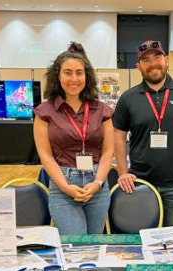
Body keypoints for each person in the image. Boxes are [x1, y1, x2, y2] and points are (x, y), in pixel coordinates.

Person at [113, 40, 173, 227]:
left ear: (166, 60)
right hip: (139, 184)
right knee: (141, 239)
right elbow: (118, 138)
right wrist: (122, 173)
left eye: (157, 57)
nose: (153, 63)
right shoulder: (128, 98)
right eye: (146, 60)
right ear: (138, 66)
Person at [34, 42, 114, 234]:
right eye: (68, 72)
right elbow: (45, 156)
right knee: (76, 247)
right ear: (58, 76)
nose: (74, 78)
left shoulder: (102, 110)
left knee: (94, 246)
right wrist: (65, 187)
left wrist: (97, 183)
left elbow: (108, 151)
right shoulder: (44, 112)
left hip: (97, 186)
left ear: (86, 76)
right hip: (63, 186)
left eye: (79, 72)